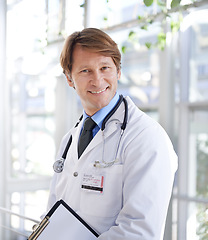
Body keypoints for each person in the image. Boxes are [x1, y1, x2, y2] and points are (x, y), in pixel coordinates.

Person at [47, 28, 178, 240]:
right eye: (85, 71)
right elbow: (54, 213)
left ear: (118, 71)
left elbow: (139, 232)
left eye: (105, 68)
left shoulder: (146, 138)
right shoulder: (69, 140)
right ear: (69, 79)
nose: (97, 81)